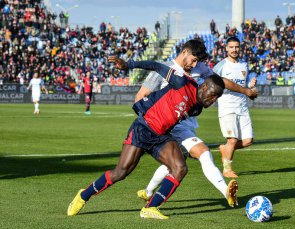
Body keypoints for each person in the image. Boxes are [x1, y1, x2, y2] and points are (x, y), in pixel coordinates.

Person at [67, 59, 225, 220]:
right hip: (143, 129)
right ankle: (84, 195)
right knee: (120, 173)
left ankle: (150, 208)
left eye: (217, 98)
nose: (213, 100)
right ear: (204, 86)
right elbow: (156, 66)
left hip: (161, 137)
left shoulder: (197, 108)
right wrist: (128, 65)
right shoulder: (183, 81)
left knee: (180, 168)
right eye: (213, 95)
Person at [134, 40, 257, 207]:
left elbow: (220, 81)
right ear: (184, 52)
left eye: (198, 61)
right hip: (172, 125)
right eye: (194, 59)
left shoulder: (200, 68)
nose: (195, 64)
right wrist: (150, 124)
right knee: (203, 152)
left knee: (174, 163)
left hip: (188, 123)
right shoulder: (164, 70)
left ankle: (147, 192)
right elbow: (140, 97)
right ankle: (226, 191)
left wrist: (246, 91)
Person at [214, 36, 256, 178]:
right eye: (231, 47)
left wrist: (250, 87)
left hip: (243, 107)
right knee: (232, 140)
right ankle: (227, 169)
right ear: (226, 48)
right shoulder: (220, 66)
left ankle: (225, 149)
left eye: (237, 47)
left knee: (248, 140)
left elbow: (243, 87)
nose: (234, 50)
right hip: (227, 107)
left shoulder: (244, 66)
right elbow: (211, 84)